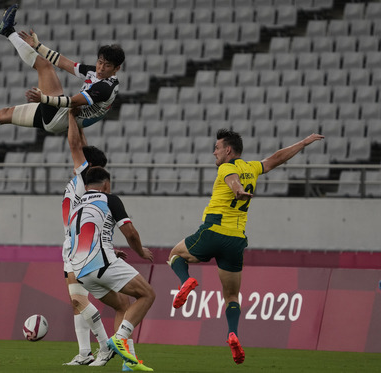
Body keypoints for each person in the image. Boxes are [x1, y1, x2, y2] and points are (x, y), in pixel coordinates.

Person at [167, 129, 325, 365]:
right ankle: (233, 333)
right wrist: (303, 142)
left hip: (213, 230)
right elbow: (276, 159)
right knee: (231, 295)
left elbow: (232, 181)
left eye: (217, 148)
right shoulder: (252, 167)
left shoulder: (226, 168)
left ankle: (185, 281)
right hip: (236, 240)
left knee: (175, 255)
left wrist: (238, 190)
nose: (214, 153)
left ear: (228, 150)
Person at [0, 3, 125, 135]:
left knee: (44, 67)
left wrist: (43, 99)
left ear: (116, 69)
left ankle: (7, 31)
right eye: (100, 62)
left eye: (106, 65)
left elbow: (72, 102)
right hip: (59, 119)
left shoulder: (105, 87)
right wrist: (39, 46)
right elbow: (66, 63)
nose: (100, 67)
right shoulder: (96, 73)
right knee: (6, 114)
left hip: (61, 117)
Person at [69, 167, 156, 372]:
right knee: (147, 294)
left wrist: (110, 251)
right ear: (106, 184)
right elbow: (131, 234)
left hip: (81, 271)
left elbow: (81, 238)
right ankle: (118, 338)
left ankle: (129, 361)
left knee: (122, 305)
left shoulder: (77, 205)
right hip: (100, 263)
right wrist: (141, 252)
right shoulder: (110, 199)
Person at [60, 112, 126, 366]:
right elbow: (82, 146)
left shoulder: (85, 173)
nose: (76, 156)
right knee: (77, 302)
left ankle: (104, 346)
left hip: (80, 248)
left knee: (78, 299)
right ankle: (85, 353)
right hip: (72, 244)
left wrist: (70, 113)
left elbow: (76, 145)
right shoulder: (82, 177)